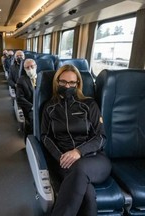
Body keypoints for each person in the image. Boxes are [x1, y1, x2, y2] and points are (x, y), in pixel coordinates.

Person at [40, 64, 111, 216]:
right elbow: (45, 136)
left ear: (78, 83)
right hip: (64, 161)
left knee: (79, 169)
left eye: (72, 82)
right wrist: (60, 156)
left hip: (95, 159)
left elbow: (101, 137)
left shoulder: (89, 105)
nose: (67, 86)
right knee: (88, 195)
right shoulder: (49, 107)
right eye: (63, 82)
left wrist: (79, 151)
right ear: (56, 82)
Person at [16, 59, 37, 141]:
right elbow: (19, 98)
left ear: (36, 66)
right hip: (29, 108)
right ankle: (30, 141)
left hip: (43, 107)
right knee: (33, 119)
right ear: (24, 69)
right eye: (27, 68)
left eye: (32, 66)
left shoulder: (43, 78)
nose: (30, 69)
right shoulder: (21, 80)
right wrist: (32, 107)